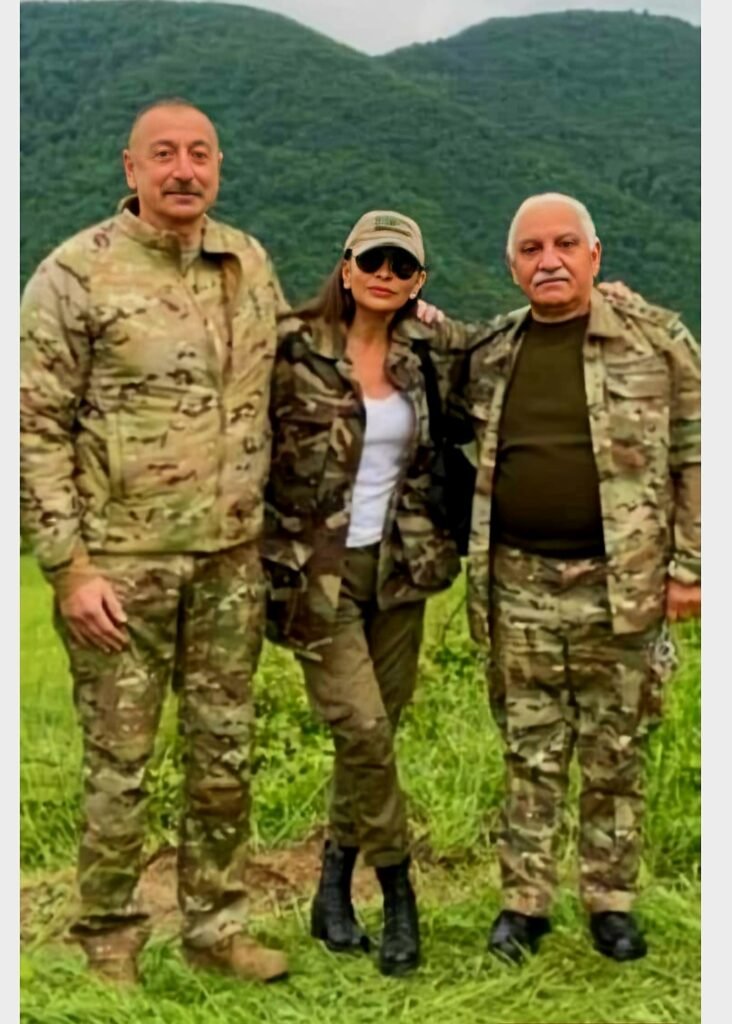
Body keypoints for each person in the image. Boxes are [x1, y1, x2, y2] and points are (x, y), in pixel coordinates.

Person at [20, 98, 290, 985]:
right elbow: (32, 427)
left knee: (224, 754)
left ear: (218, 167)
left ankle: (216, 930)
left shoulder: (247, 262)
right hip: (119, 570)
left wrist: (411, 319)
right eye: (164, 153)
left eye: (199, 153)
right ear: (130, 168)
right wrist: (69, 569)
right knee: (120, 764)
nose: (184, 169)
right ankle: (109, 942)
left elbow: (299, 362)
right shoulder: (77, 273)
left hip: (229, 563)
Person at [446, 192, 700, 963]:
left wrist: (691, 567)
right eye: (531, 249)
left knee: (615, 751)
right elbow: (431, 361)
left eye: (564, 245)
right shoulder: (492, 352)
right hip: (518, 584)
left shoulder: (656, 340)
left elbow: (698, 451)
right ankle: (524, 904)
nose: (548, 260)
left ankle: (610, 902)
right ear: (512, 265)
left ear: (595, 255)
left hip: (622, 587)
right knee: (530, 752)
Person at [263, 210, 468, 976]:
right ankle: (398, 894)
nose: (385, 274)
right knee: (366, 731)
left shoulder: (428, 352)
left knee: (373, 736)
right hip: (317, 580)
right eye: (372, 260)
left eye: (401, 265)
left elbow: (510, 348)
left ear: (419, 281)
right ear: (346, 267)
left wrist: (608, 300)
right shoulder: (292, 348)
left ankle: (329, 892)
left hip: (400, 571)